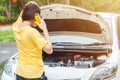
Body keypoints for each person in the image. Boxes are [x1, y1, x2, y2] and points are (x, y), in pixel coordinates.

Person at [12, 1, 53, 80]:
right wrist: (44, 28)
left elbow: (21, 16)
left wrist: (27, 7)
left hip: (20, 72)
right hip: (33, 75)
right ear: (35, 17)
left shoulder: (15, 27)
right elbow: (49, 50)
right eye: (38, 16)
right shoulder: (32, 32)